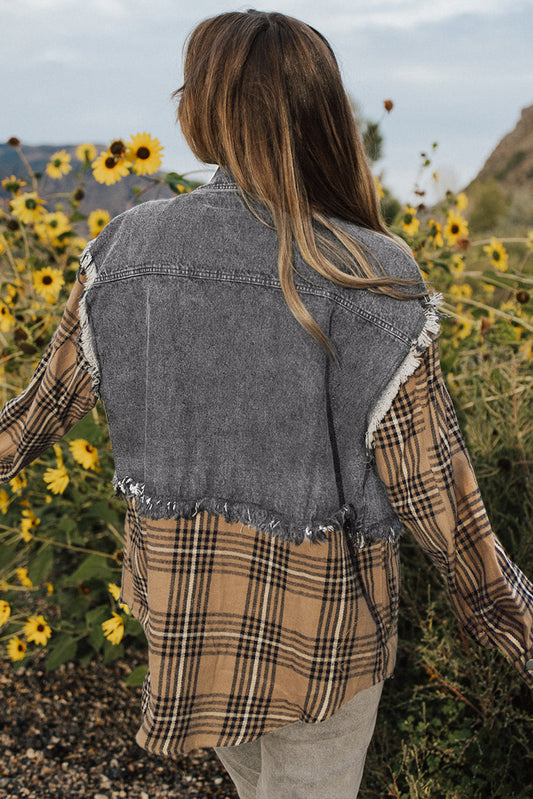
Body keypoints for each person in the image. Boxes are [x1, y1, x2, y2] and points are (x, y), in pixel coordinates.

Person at [1, 8, 532, 799]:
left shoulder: (127, 246)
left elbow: (37, 410)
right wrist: (510, 622)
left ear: (205, 112)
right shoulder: (369, 269)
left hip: (184, 609)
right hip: (323, 631)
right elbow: (431, 486)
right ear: (321, 108)